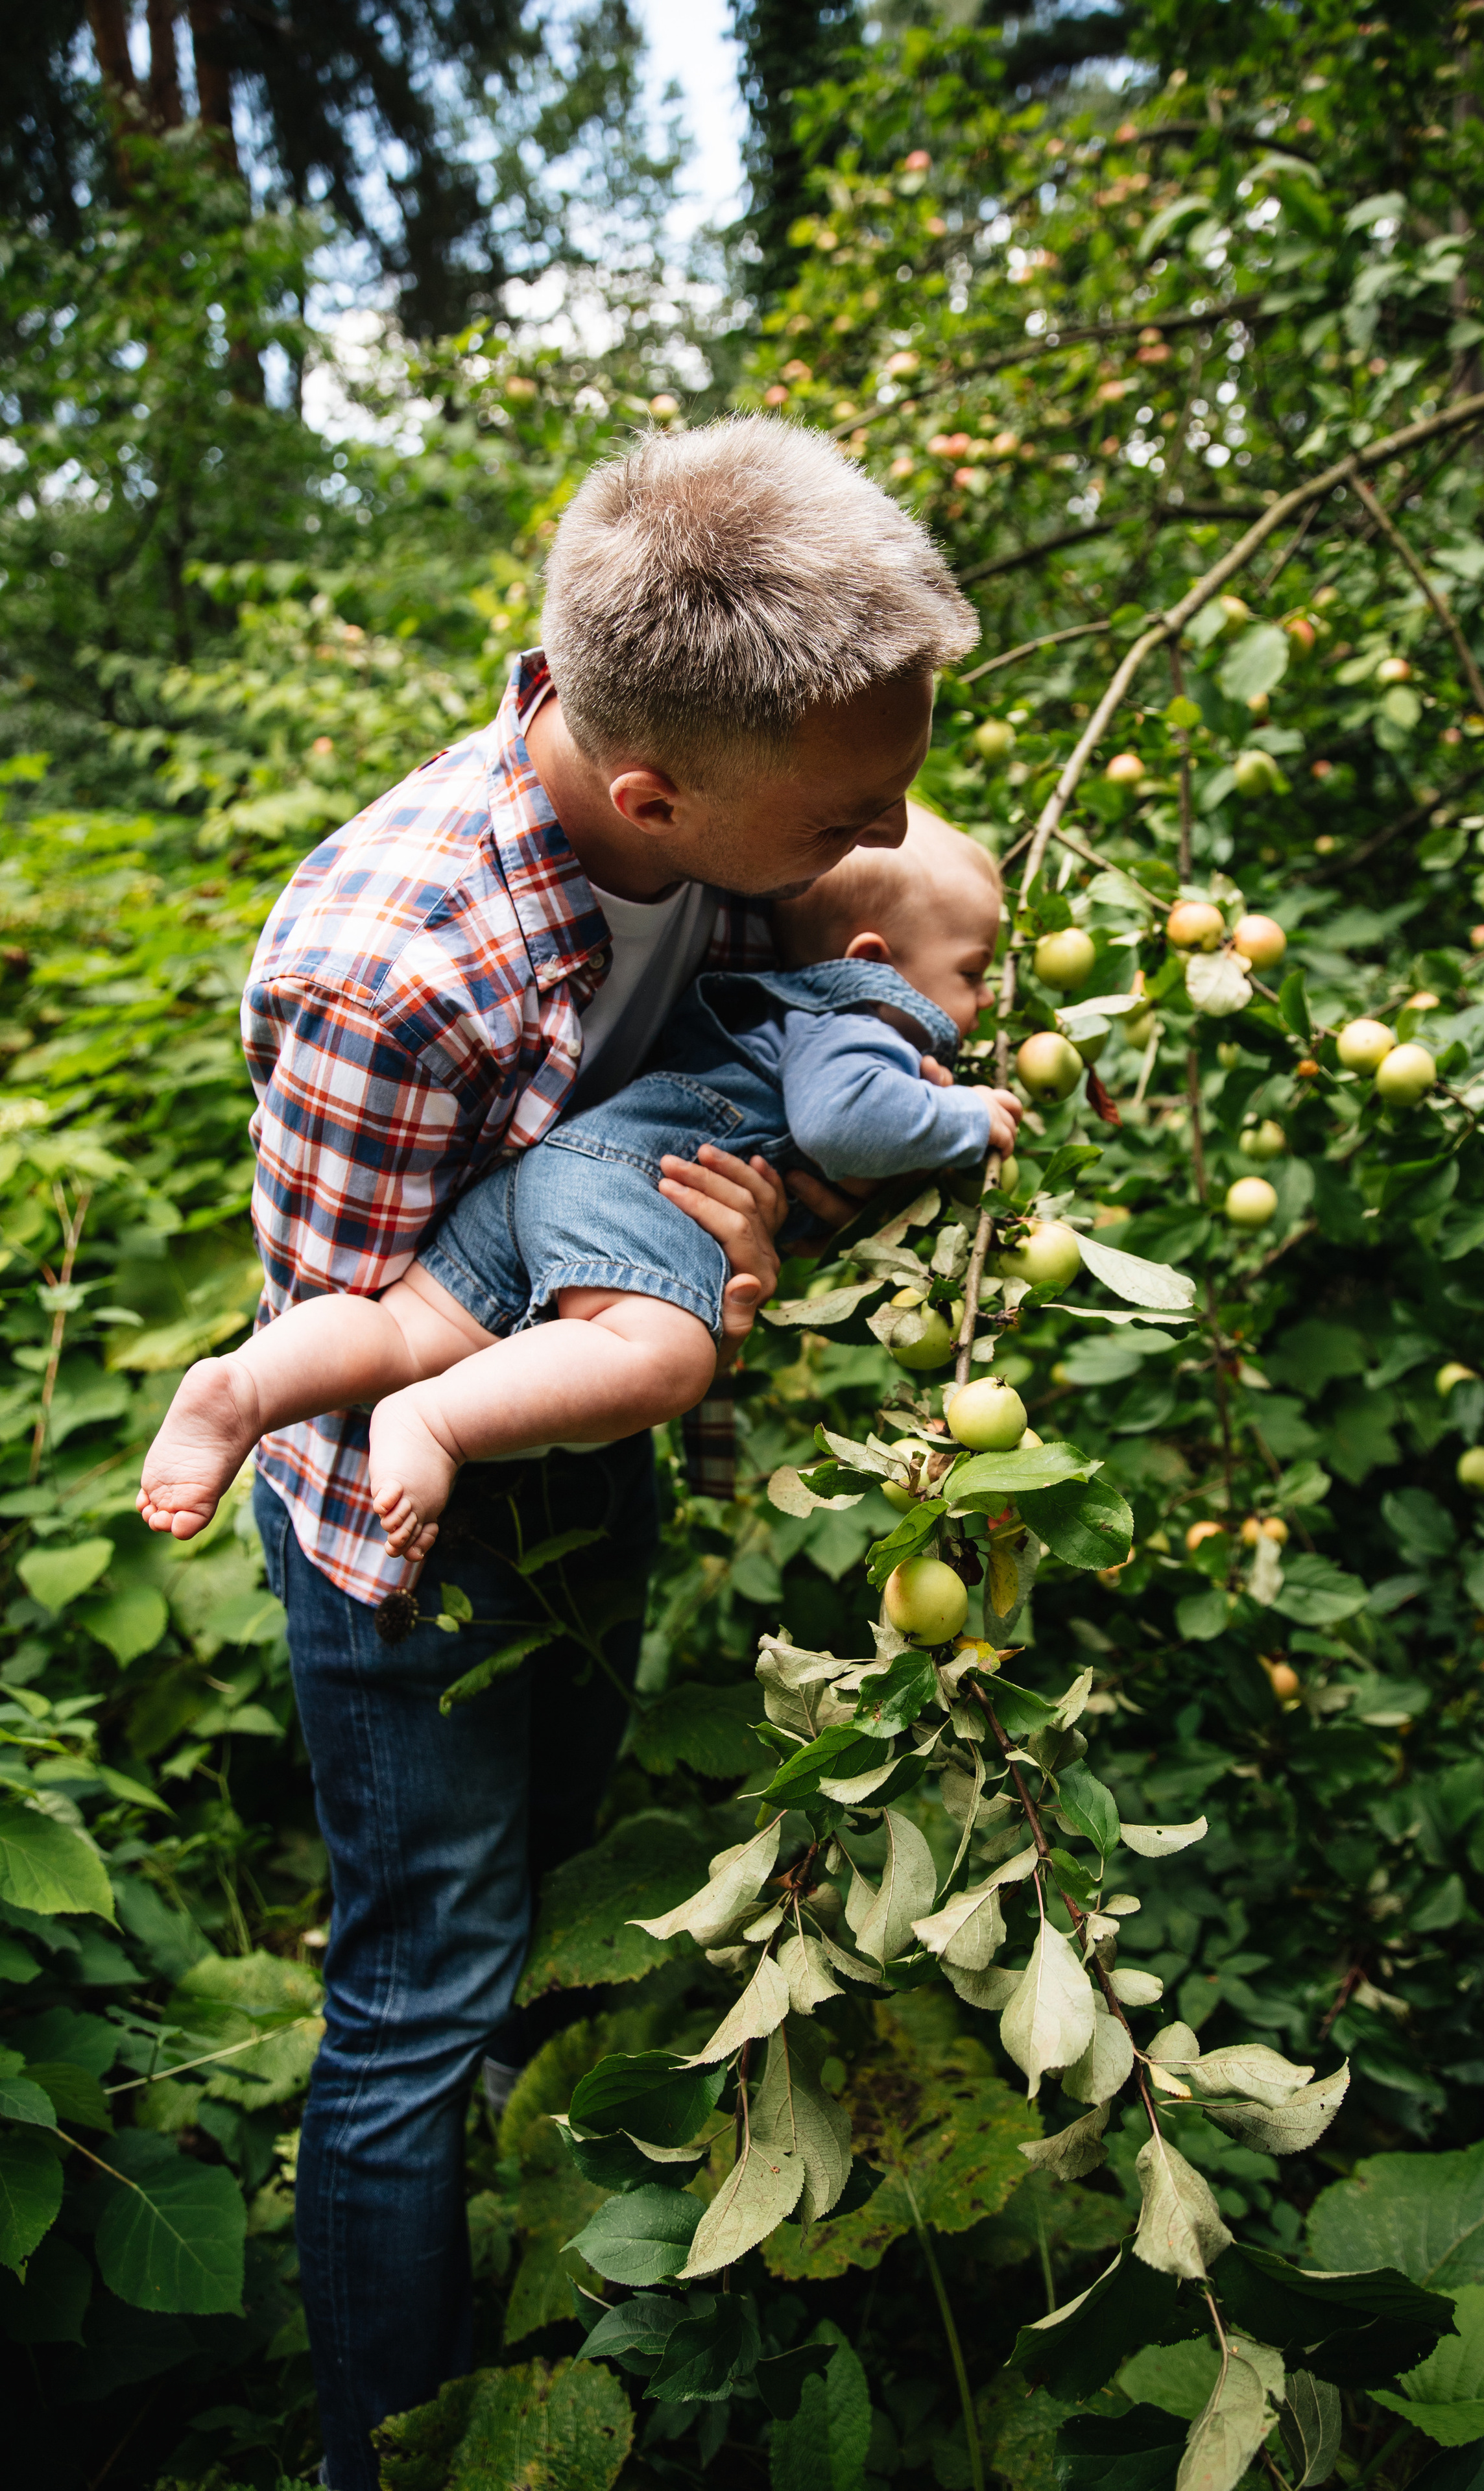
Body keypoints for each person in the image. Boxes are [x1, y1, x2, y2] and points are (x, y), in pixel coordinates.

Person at [224, 415, 979, 2490]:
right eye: (864, 802)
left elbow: (745, 1088)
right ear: (652, 789)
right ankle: (387, 2448)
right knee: (422, 1986)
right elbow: (373, 1355)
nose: (898, 828)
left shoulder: (722, 810)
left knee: (551, 1887)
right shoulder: (399, 972)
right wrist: (677, 1324)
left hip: (596, 1456)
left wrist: (767, 1213)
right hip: (413, 1511)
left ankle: (539, 2274)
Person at [138, 820, 1018, 1555]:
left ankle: (248, 1387)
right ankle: (438, 1421)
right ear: (874, 957)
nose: (981, 1005)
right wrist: (973, 1118)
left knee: (401, 1327)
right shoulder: (859, 1024)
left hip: (555, 1178)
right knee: (668, 1356)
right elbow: (841, 1122)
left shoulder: (782, 1007)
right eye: (973, 973)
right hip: (626, 1192)